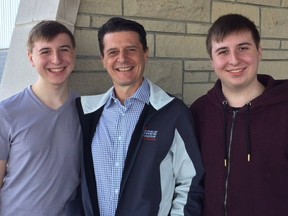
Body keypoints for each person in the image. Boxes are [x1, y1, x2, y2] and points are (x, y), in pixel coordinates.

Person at [76, 17, 205, 216]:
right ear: (103, 60)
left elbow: (190, 181)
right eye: (113, 52)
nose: (122, 58)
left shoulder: (172, 113)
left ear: (146, 53)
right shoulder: (86, 114)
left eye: (131, 49)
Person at [190, 13, 288, 216]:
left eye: (243, 48)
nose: (234, 60)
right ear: (212, 61)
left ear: (259, 52)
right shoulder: (198, 113)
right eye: (223, 51)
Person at [0, 21, 82, 215]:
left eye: (64, 49)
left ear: (74, 54)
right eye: (45, 51)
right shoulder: (7, 112)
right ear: (31, 58)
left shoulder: (86, 111)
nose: (56, 59)